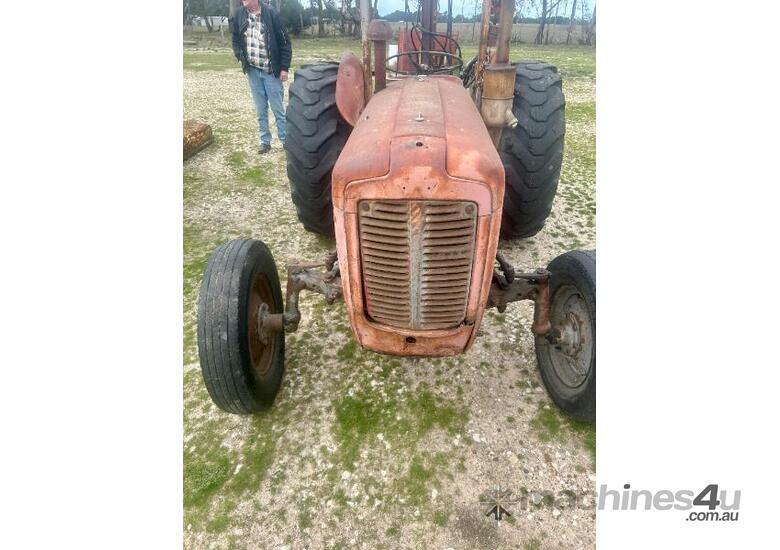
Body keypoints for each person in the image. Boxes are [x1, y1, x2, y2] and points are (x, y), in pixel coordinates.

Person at [230, 0, 291, 154]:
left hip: (271, 71)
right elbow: (235, 37)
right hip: (253, 71)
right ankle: (265, 142)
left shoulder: (271, 13)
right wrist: (239, 55)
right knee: (260, 110)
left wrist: (284, 68)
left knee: (278, 110)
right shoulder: (239, 14)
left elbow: (285, 43)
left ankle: (285, 140)